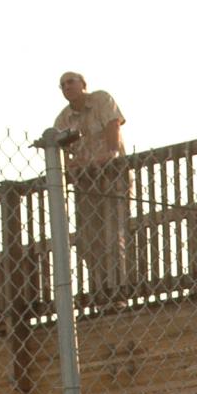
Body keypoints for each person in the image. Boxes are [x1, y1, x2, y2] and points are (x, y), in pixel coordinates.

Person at [53, 71, 130, 302]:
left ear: (83, 83)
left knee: (113, 234)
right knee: (89, 239)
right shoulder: (63, 119)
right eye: (62, 85)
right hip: (85, 182)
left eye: (71, 82)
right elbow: (60, 151)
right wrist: (68, 166)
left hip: (112, 175)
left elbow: (113, 126)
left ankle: (118, 292)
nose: (67, 86)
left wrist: (110, 153)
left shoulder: (100, 99)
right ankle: (100, 292)